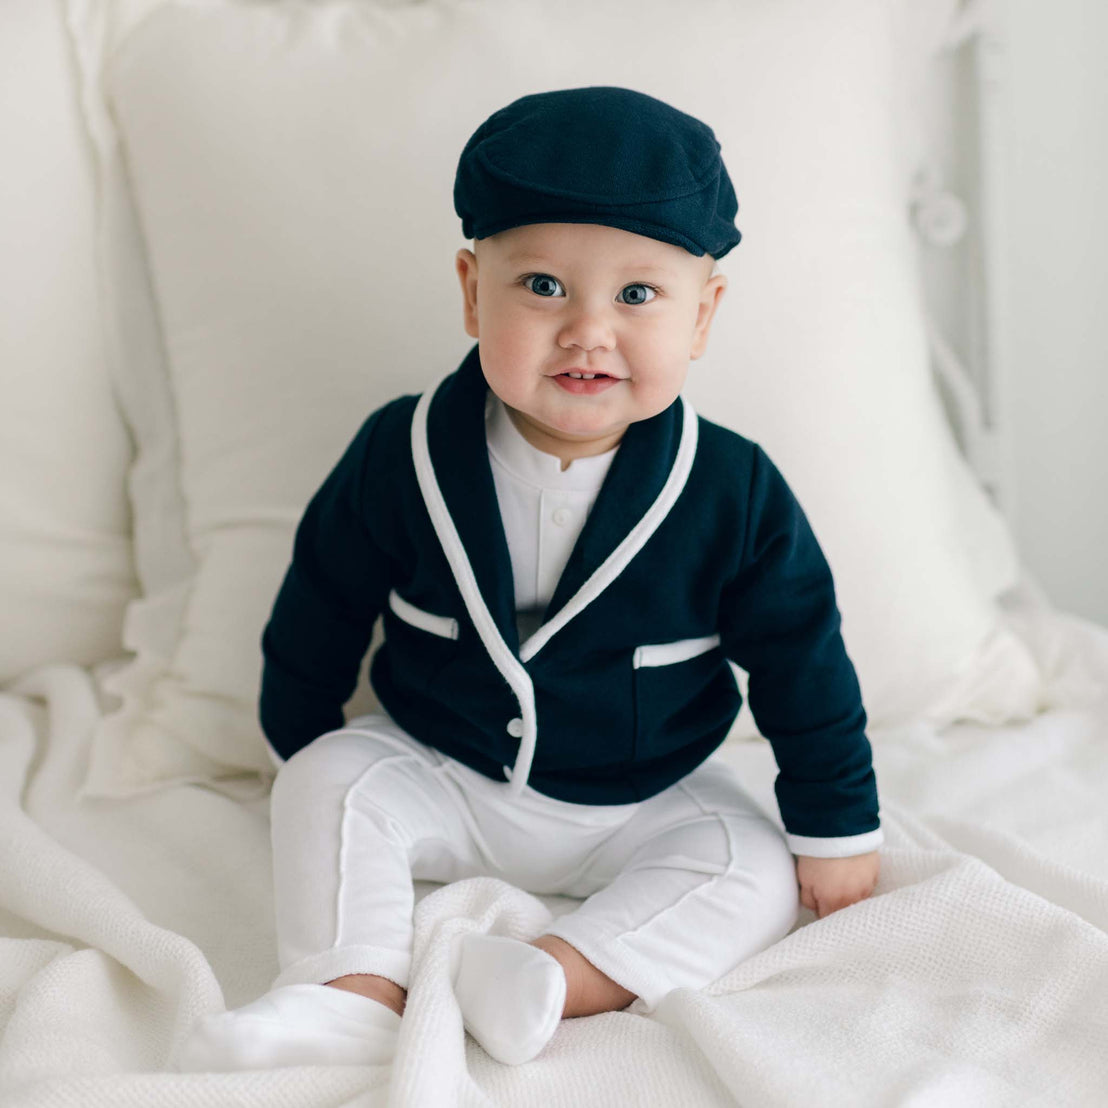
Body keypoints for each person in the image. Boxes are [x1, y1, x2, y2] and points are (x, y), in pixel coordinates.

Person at [173, 85, 882, 1072]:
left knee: (751, 866)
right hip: (445, 767)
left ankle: (549, 974)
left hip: (645, 794)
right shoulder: (402, 450)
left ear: (704, 314)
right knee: (328, 781)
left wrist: (836, 821)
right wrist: (300, 745)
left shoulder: (733, 488)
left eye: (637, 296)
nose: (588, 331)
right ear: (471, 291)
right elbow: (320, 603)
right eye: (543, 287)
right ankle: (351, 992)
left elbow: (804, 656)